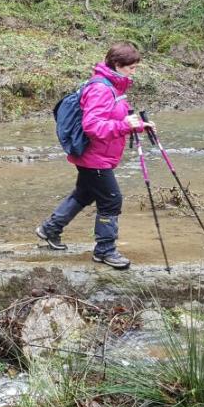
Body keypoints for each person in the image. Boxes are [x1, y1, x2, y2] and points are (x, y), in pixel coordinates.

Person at [35, 42, 153, 269]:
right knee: (111, 200)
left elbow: (116, 120)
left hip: (97, 155)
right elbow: (93, 126)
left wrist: (139, 126)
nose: (134, 72)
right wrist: (125, 126)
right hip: (94, 157)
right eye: (132, 68)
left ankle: (49, 229)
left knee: (84, 194)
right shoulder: (101, 89)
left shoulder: (114, 86)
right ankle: (105, 250)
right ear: (118, 65)